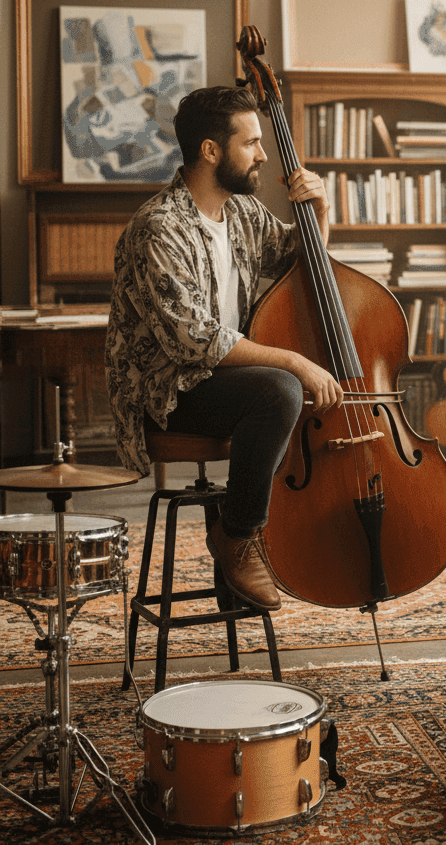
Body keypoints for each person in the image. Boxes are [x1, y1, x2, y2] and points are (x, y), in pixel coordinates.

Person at [105, 85, 343, 611]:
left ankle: (254, 535)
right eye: (251, 143)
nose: (263, 154)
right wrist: (295, 361)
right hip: (168, 394)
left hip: (218, 381)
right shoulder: (159, 227)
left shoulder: (241, 213)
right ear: (211, 151)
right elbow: (195, 341)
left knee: (281, 388)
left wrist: (321, 210)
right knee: (281, 389)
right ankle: (237, 537)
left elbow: (299, 266)